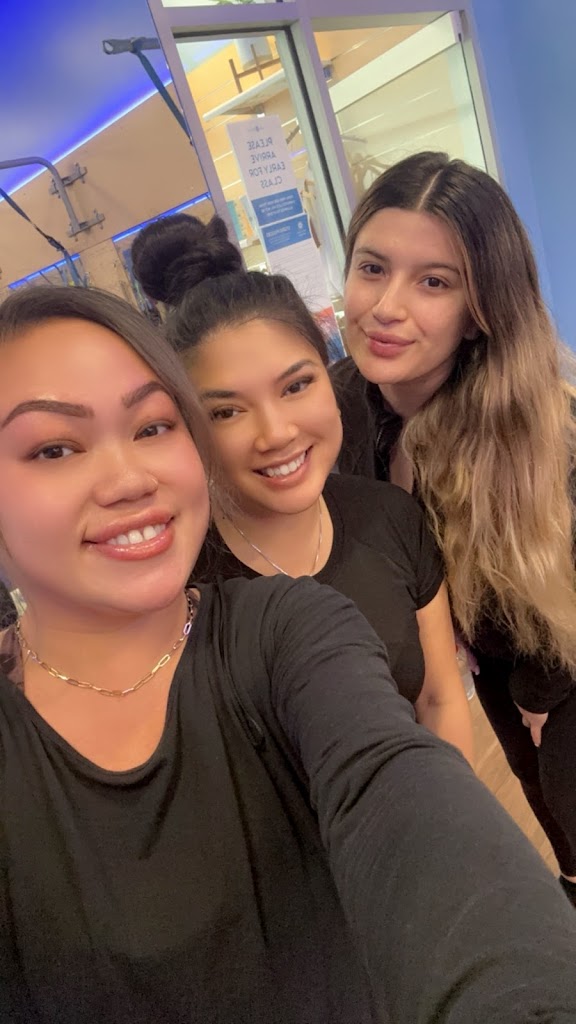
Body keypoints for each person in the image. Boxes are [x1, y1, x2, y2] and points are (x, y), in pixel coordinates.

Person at [0, 287, 576, 1022]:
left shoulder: (290, 622)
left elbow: (398, 768)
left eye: (151, 427)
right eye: (53, 448)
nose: (129, 478)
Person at [131, 213, 473, 760]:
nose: (276, 434)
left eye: (296, 385)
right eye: (226, 411)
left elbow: (438, 698)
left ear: (330, 371)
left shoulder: (390, 517)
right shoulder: (178, 579)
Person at [332, 149, 576, 904]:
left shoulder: (542, 426)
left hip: (554, 654)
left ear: (480, 312)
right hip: (475, 661)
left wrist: (543, 685)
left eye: (433, 282)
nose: (386, 306)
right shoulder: (334, 409)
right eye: (372, 268)